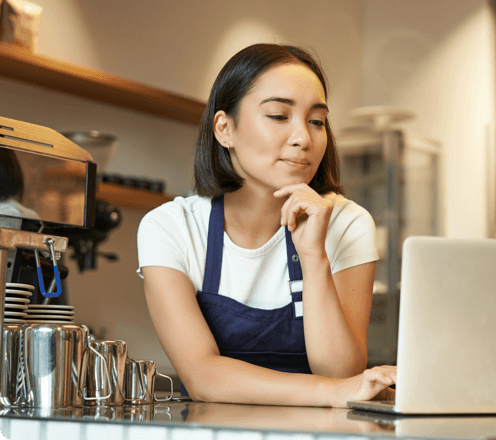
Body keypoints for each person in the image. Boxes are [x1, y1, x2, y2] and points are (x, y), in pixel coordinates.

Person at [137, 43, 396, 407]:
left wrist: (313, 255)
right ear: (224, 129)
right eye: (278, 116)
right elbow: (202, 376)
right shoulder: (170, 228)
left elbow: (340, 371)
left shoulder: (348, 223)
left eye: (317, 121)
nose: (303, 138)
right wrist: (332, 391)